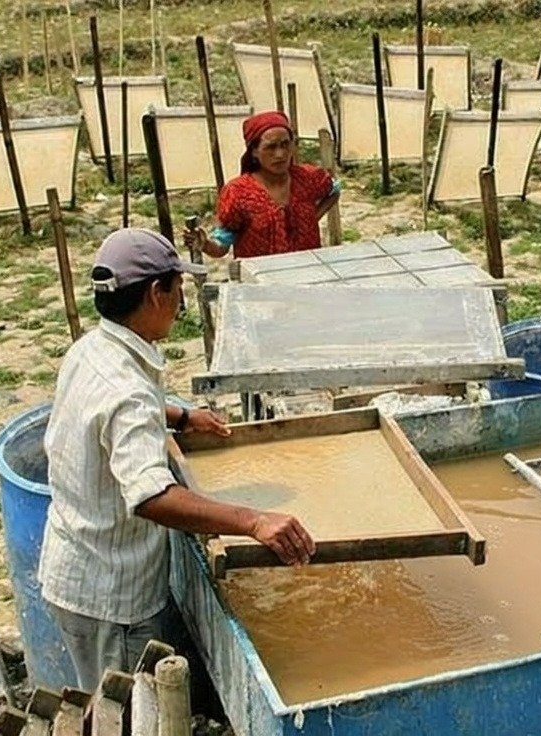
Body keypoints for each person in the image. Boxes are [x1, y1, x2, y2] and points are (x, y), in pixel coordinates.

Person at [40, 228, 316, 691]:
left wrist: (181, 416)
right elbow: (150, 496)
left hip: (74, 565)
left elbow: (105, 412)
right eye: (177, 287)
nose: (180, 299)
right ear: (154, 293)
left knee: (101, 704)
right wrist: (253, 521)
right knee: (126, 716)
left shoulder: (92, 349)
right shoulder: (127, 390)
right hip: (113, 598)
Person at [185, 110, 341, 259]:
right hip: (261, 282)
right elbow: (221, 247)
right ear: (254, 151)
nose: (280, 154)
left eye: (285, 144)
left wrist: (313, 217)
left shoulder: (307, 178)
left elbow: (334, 189)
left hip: (308, 273)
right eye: (270, 147)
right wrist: (205, 244)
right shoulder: (238, 193)